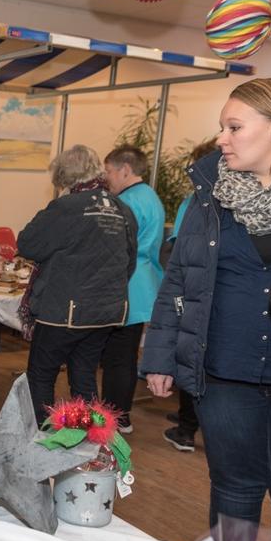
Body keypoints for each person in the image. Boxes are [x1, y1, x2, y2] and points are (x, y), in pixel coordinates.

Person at [141, 78, 271, 541]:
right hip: (225, 368)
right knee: (234, 493)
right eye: (221, 128)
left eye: (234, 127)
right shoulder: (210, 196)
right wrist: (160, 356)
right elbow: (179, 280)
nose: (221, 139)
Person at [18, 145, 137, 425]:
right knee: (83, 374)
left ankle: (41, 439)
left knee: (41, 374)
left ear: (63, 176)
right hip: (106, 312)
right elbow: (128, 262)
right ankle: (89, 443)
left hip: (64, 310)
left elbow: (27, 243)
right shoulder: (122, 208)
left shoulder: (66, 207)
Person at [100, 146, 166, 435]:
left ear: (125, 169)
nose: (107, 178)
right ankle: (122, 415)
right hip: (145, 283)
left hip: (125, 285)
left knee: (116, 357)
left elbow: (116, 249)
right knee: (125, 356)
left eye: (109, 171)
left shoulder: (124, 202)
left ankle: (113, 417)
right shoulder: (150, 197)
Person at [161, 138, 218, 452]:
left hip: (191, 290)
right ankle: (191, 418)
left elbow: (179, 246)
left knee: (190, 355)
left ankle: (186, 428)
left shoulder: (195, 201)